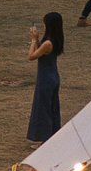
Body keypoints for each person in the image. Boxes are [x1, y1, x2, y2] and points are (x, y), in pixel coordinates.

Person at [26, 12, 64, 143]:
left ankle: (44, 139)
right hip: (52, 77)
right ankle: (51, 137)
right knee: (51, 108)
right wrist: (37, 39)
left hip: (45, 79)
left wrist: (33, 40)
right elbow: (40, 53)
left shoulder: (48, 43)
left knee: (43, 110)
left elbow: (31, 56)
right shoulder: (55, 39)